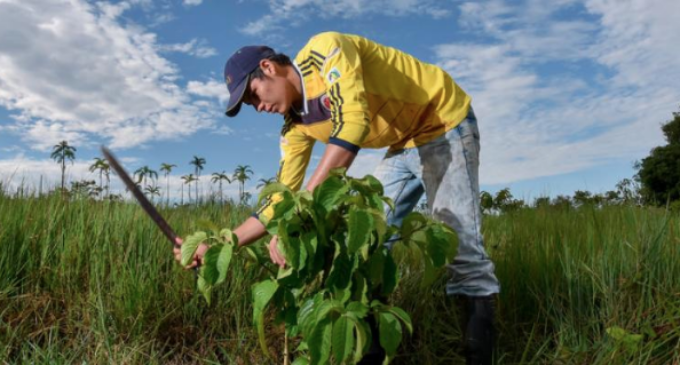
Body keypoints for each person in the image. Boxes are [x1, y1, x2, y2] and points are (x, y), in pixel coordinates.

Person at [173, 31, 499, 365]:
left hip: (442, 119)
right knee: (365, 243)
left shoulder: (325, 51)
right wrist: (219, 245)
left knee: (460, 245)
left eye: (253, 96)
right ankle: (371, 355)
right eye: (249, 105)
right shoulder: (294, 127)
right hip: (403, 141)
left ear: (268, 67)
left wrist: (298, 217)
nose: (257, 108)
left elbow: (352, 125)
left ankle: (478, 355)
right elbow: (278, 201)